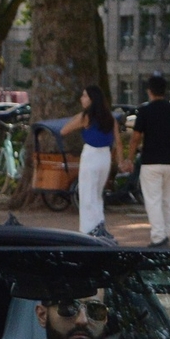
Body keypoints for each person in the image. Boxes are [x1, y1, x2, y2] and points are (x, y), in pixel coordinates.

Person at [133, 75, 170, 247]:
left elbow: (135, 136)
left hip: (151, 161)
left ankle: (158, 237)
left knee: (153, 200)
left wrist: (129, 157)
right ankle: (166, 234)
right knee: (168, 202)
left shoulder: (145, 111)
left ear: (149, 91)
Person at [61, 84, 118, 241]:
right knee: (97, 194)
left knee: (87, 194)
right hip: (105, 156)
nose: (82, 98)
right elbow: (117, 141)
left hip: (91, 154)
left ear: (92, 99)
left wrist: (78, 116)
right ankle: (99, 225)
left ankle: (87, 230)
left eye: (85, 96)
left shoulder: (85, 117)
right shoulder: (109, 117)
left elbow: (64, 130)